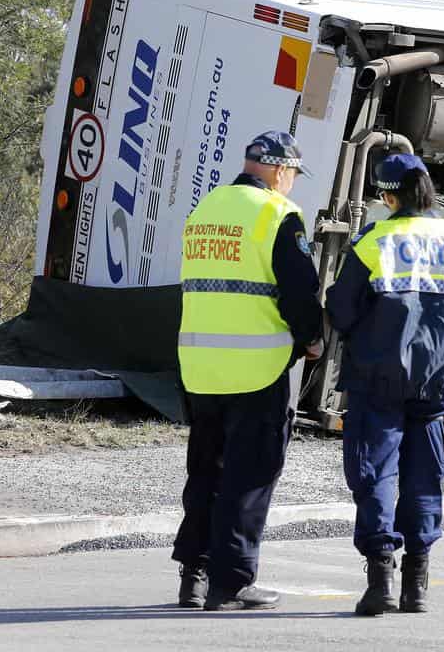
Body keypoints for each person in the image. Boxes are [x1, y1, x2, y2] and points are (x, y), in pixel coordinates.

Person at [326, 153, 444, 616]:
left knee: (376, 473)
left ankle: (381, 577)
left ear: (387, 195)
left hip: (376, 380)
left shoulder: (374, 242)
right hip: (438, 384)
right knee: (424, 477)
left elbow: (341, 310)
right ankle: (417, 583)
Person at [173, 131, 324, 612]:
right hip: (256, 368)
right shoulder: (277, 215)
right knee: (250, 474)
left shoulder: (207, 208)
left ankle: (193, 575)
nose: (292, 184)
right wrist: (312, 338)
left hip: (200, 365)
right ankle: (232, 581)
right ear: (281, 170)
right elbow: (299, 290)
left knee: (205, 471)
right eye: (294, 175)